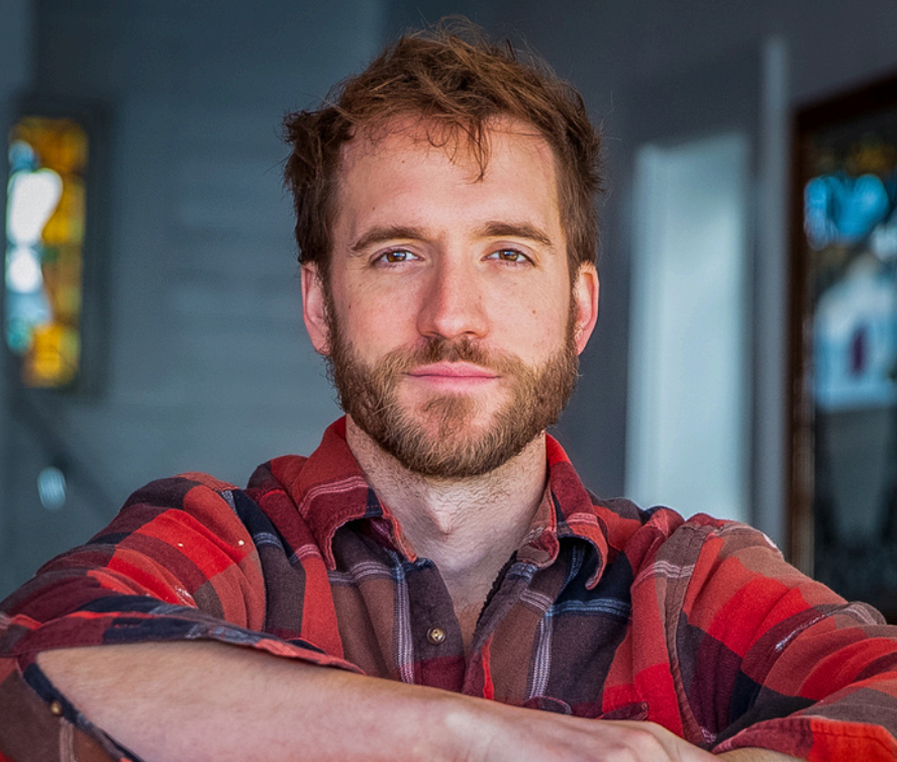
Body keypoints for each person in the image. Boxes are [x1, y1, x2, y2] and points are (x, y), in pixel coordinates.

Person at [1, 22, 896, 762]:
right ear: (320, 304)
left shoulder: (688, 583)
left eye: (506, 253)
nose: (450, 315)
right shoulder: (225, 548)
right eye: (397, 254)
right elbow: (29, 660)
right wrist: (462, 739)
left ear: (578, 307)